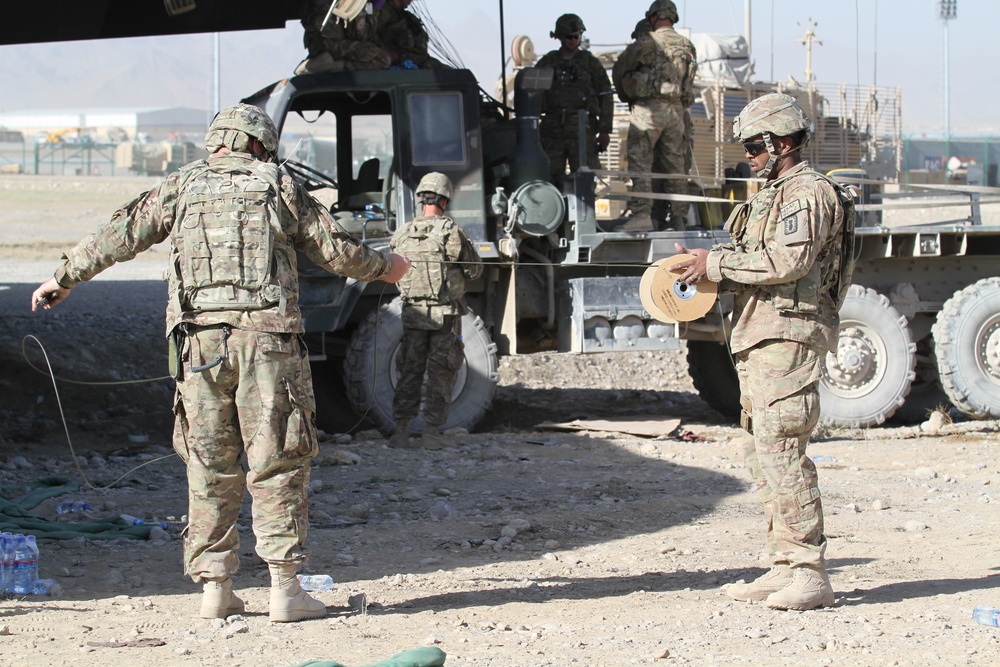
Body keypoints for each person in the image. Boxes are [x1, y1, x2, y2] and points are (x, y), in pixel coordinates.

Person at [30, 103, 410, 622]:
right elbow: (336, 251)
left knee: (209, 463)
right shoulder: (276, 185)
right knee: (277, 460)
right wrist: (389, 266)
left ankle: (215, 588)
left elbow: (121, 232)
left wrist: (65, 276)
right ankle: (285, 590)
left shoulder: (181, 186)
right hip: (267, 346)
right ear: (259, 144)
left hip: (199, 347)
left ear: (217, 142)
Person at [671, 93, 856, 611]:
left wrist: (717, 266)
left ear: (783, 143)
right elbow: (758, 259)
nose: (748, 155)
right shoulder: (772, 194)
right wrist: (709, 266)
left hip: (790, 336)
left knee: (783, 449)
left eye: (755, 145)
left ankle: (809, 572)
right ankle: (784, 565)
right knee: (761, 451)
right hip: (761, 334)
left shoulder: (806, 193)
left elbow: (788, 261)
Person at [388, 172, 483, 450]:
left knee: (409, 370)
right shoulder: (451, 232)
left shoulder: (402, 232)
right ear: (444, 199)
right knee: (441, 372)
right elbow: (474, 270)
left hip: (413, 313)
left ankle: (401, 432)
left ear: (420, 199)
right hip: (445, 316)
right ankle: (431, 433)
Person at [612, 0, 696, 231]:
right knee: (675, 167)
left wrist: (627, 95)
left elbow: (620, 68)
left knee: (641, 162)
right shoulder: (686, 45)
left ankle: (642, 215)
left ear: (653, 17)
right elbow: (689, 83)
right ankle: (679, 219)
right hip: (676, 112)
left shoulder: (648, 42)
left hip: (648, 110)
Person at [535, 13, 614, 180]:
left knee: (584, 180)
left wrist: (605, 131)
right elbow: (532, 92)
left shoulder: (590, 63)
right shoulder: (548, 62)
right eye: (568, 37)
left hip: (583, 132)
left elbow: (606, 96)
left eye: (576, 36)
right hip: (553, 131)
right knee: (550, 179)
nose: (573, 40)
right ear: (559, 37)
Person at [296, 0, 391, 75]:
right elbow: (359, 34)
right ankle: (333, 66)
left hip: (316, 42)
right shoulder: (356, 3)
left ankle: (322, 62)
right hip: (331, 44)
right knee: (383, 59)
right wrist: (373, 9)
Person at [375, 0, 444, 70]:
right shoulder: (380, 13)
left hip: (417, 60)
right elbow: (369, 36)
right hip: (396, 61)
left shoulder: (407, 17)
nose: (410, 2)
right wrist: (383, 52)